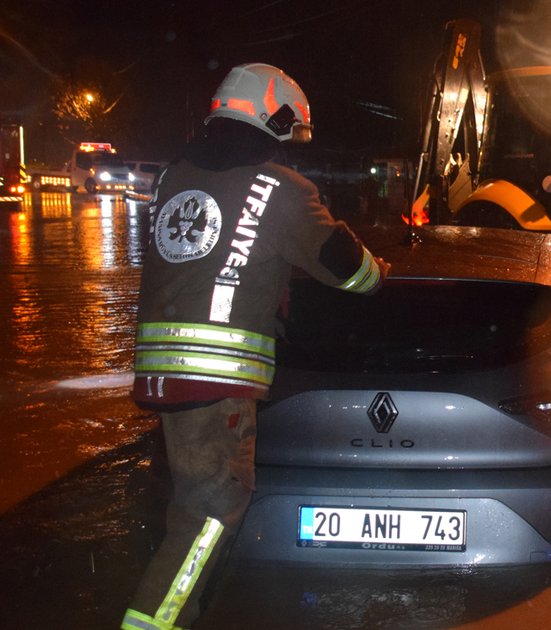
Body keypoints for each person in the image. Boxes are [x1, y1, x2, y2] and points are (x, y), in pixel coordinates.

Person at [123, 63, 389, 630]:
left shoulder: (175, 175)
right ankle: (150, 623)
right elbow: (348, 271)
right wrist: (380, 270)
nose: (289, 142)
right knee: (208, 516)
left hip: (164, 375)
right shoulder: (281, 189)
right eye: (289, 128)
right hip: (217, 385)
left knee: (192, 508)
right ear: (276, 116)